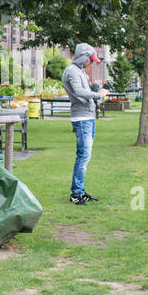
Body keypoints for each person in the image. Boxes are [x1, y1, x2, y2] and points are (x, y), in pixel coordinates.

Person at [63, 42, 105, 205]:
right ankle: (76, 194)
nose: (92, 62)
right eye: (90, 59)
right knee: (83, 156)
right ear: (83, 56)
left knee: (85, 156)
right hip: (82, 119)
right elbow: (79, 92)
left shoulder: (79, 71)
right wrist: (97, 94)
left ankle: (80, 191)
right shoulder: (72, 71)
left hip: (87, 117)